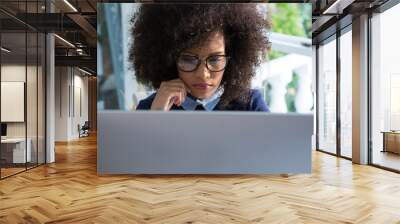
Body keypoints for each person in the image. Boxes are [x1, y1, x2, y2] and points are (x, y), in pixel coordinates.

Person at [130, 4, 270, 111]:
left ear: (232, 58)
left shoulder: (250, 104)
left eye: (215, 59)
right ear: (170, 60)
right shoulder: (152, 106)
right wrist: (155, 116)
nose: (203, 74)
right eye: (188, 60)